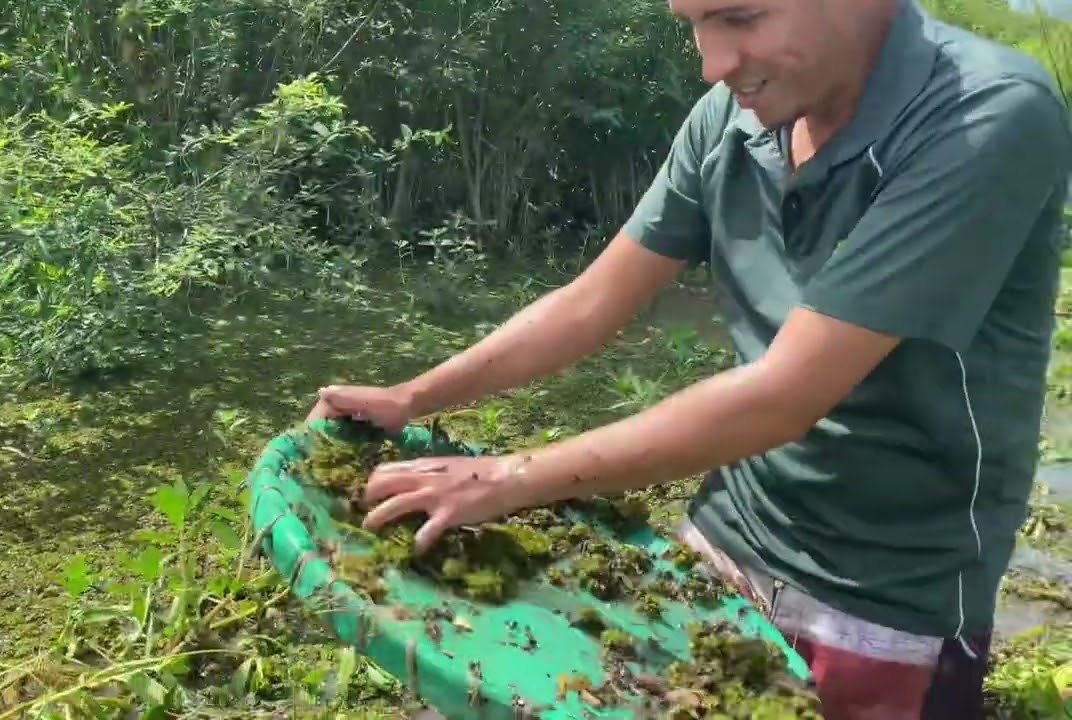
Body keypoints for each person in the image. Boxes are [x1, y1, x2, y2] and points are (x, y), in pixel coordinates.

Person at [305, 0, 1072, 717]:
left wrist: (508, 477)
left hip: (882, 588)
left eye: (739, 17)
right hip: (726, 534)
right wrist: (416, 396)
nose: (711, 63)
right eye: (693, 22)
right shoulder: (731, 120)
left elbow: (786, 394)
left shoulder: (984, 113)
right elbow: (589, 304)